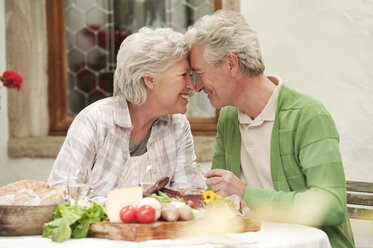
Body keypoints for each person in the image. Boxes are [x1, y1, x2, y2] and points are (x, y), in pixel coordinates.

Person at [185, 10, 354, 248]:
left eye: (199, 73)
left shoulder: (308, 115)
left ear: (231, 63)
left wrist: (245, 193)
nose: (196, 86)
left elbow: (331, 205)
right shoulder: (229, 118)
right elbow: (218, 195)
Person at [48, 27, 206, 203]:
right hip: (97, 230)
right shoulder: (95, 121)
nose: (191, 86)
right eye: (184, 75)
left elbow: (189, 197)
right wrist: (126, 202)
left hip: (157, 230)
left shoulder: (178, 125)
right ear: (149, 79)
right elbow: (61, 194)